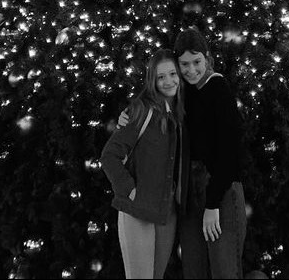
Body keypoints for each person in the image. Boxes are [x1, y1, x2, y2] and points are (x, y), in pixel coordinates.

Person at [122, 29, 247, 278]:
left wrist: (213, 205)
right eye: (184, 64)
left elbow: (230, 153)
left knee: (224, 270)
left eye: (197, 62)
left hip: (220, 192)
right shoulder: (180, 91)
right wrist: (127, 115)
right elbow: (151, 103)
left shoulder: (218, 88)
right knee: (193, 269)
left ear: (207, 58)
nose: (191, 70)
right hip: (189, 195)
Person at [101, 50, 188, 280]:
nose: (169, 81)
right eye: (161, 77)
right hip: (138, 210)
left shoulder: (179, 116)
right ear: (153, 80)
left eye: (173, 74)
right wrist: (130, 190)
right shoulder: (141, 111)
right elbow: (109, 156)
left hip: (166, 214)